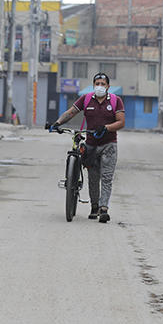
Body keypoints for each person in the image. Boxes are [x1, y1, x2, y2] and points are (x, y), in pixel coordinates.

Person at [49, 72, 125, 223]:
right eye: (97, 83)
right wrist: (57, 123)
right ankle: (95, 206)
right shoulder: (86, 99)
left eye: (103, 84)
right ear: (93, 85)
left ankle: (104, 209)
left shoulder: (116, 101)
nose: (100, 86)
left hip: (109, 145)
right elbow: (71, 113)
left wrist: (107, 128)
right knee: (93, 177)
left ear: (108, 86)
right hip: (91, 145)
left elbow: (121, 122)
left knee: (107, 177)